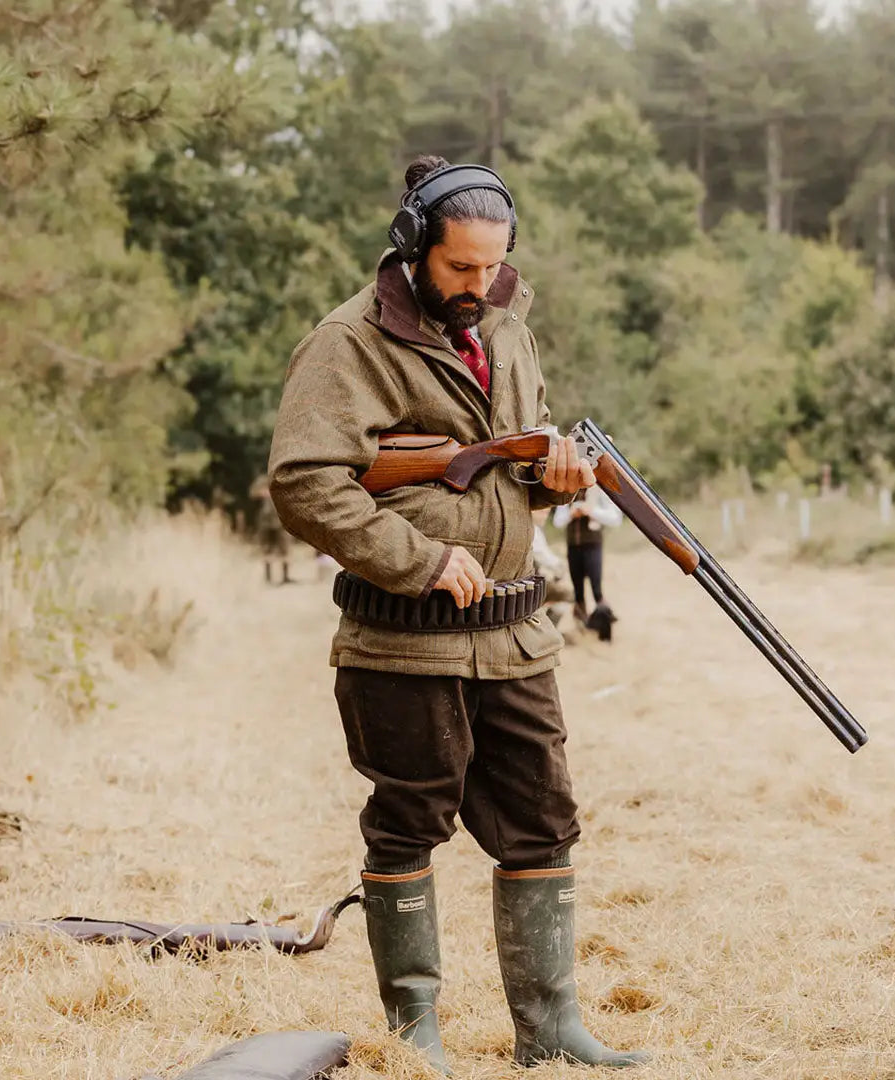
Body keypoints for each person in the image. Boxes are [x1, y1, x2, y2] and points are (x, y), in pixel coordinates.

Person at [268, 156, 648, 1075]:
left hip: (517, 636)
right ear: (413, 247)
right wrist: (423, 559)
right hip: (401, 644)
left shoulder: (509, 332)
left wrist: (556, 483)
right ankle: (417, 1037)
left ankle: (550, 1032)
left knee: (544, 824)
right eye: (460, 270)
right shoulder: (347, 342)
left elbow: (510, 468)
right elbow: (305, 483)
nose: (481, 287)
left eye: (493, 266)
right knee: (408, 822)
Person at [553, 484, 623, 627]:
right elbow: (558, 522)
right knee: (578, 593)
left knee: (597, 590)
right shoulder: (567, 490)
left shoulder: (599, 491)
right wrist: (571, 514)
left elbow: (615, 518)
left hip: (593, 545)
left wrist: (590, 511)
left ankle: (603, 626)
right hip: (573, 547)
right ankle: (583, 628)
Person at [249, 473, 292, 585]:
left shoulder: (282, 476)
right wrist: (262, 493)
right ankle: (268, 577)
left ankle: (285, 577)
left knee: (284, 550)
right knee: (266, 549)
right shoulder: (261, 480)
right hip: (265, 523)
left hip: (280, 521)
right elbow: (252, 494)